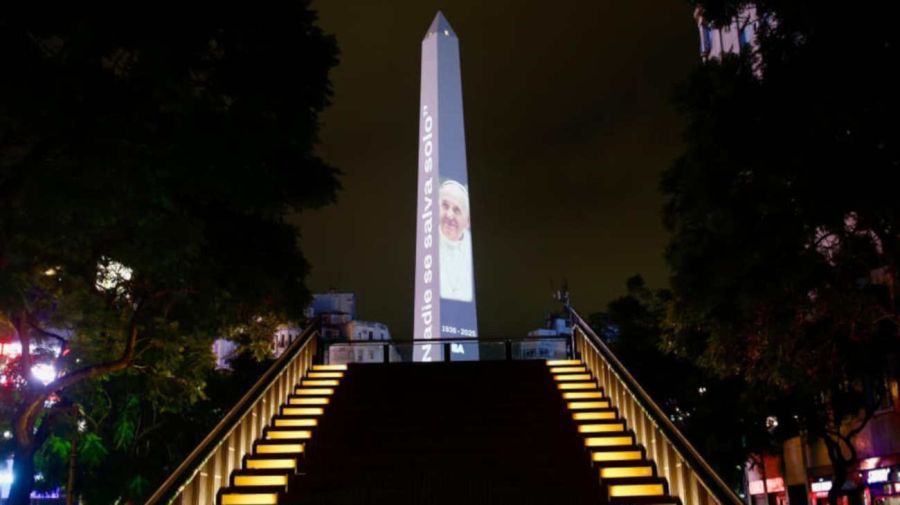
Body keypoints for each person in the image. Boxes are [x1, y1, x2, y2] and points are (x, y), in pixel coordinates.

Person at [439, 179, 474, 302]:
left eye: (457, 210)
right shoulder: (428, 241)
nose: (449, 215)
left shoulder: (472, 248)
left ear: (468, 221)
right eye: (445, 206)